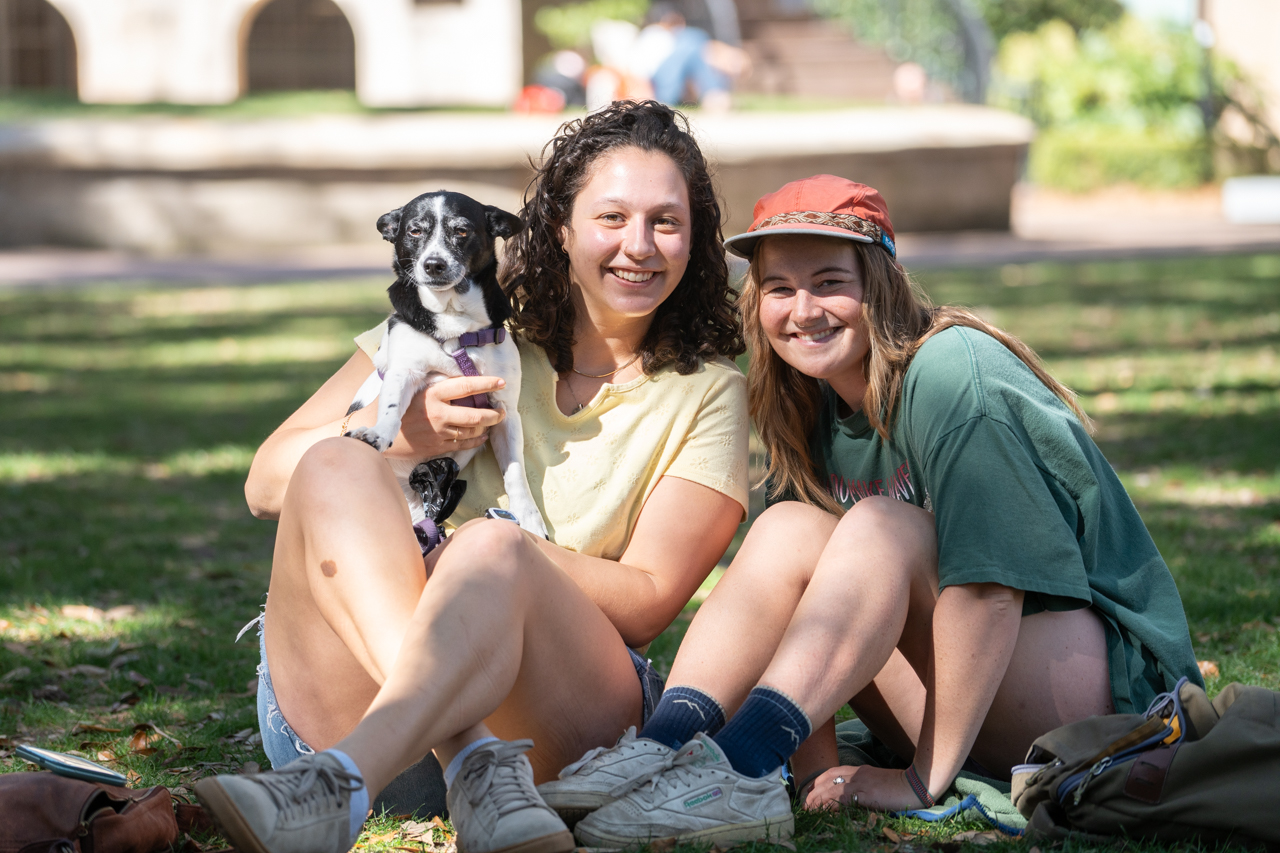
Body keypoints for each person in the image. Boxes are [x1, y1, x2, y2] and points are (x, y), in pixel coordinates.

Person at [539, 175, 1203, 847]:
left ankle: (733, 766)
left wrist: (922, 780)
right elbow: (795, 609)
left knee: (882, 525)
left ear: (881, 282)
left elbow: (990, 594)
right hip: (973, 693)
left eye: (830, 282)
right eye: (779, 289)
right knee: (787, 529)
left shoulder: (950, 372)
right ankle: (663, 751)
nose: (804, 310)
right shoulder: (813, 403)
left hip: (1100, 715)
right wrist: (817, 777)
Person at [194, 100, 750, 853]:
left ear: (696, 239)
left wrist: (480, 553)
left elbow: (650, 601)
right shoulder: (446, 321)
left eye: (666, 221)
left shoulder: (707, 388)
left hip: (552, 728)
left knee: (490, 551)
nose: (639, 246)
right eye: (612, 217)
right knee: (336, 458)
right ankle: (468, 760)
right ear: (560, 228)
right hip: (342, 706)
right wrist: (401, 437)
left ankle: (353, 786)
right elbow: (266, 482)